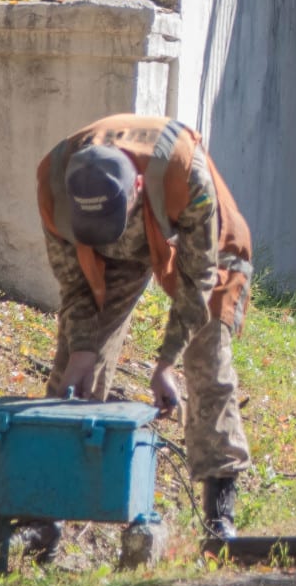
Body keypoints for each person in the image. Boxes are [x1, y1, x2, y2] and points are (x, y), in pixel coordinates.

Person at [36, 114, 254, 543]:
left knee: (208, 358)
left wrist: (166, 363)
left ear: (136, 187)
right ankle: (49, 508)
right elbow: (75, 285)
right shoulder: (53, 186)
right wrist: (83, 349)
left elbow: (197, 282)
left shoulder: (184, 174)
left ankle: (219, 516)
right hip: (115, 241)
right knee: (71, 371)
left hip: (207, 245)